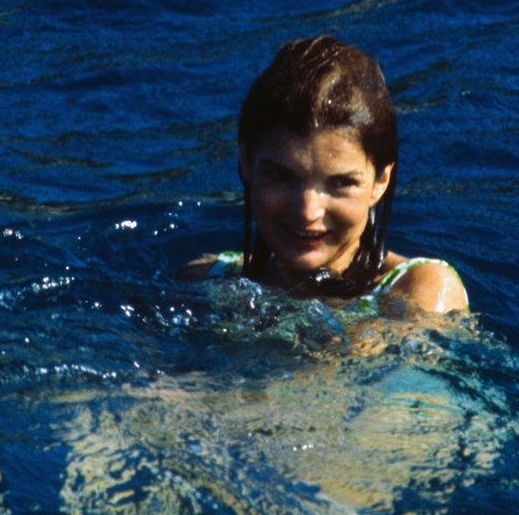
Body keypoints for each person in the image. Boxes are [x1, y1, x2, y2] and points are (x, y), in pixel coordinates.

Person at [186, 35, 468, 317]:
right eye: (281, 175)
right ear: (246, 163)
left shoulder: (420, 288)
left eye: (342, 183)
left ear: (381, 181)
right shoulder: (207, 280)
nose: (308, 212)